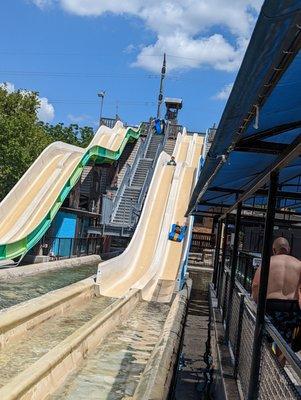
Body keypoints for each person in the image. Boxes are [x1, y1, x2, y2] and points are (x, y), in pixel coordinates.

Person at [252, 237, 301, 362]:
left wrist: (257, 303)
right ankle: (279, 370)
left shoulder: (267, 263)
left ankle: (266, 366)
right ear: (288, 249)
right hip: (292, 308)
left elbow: (256, 286)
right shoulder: (299, 264)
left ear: (274, 250)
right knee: (284, 344)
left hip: (270, 306)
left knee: (265, 338)